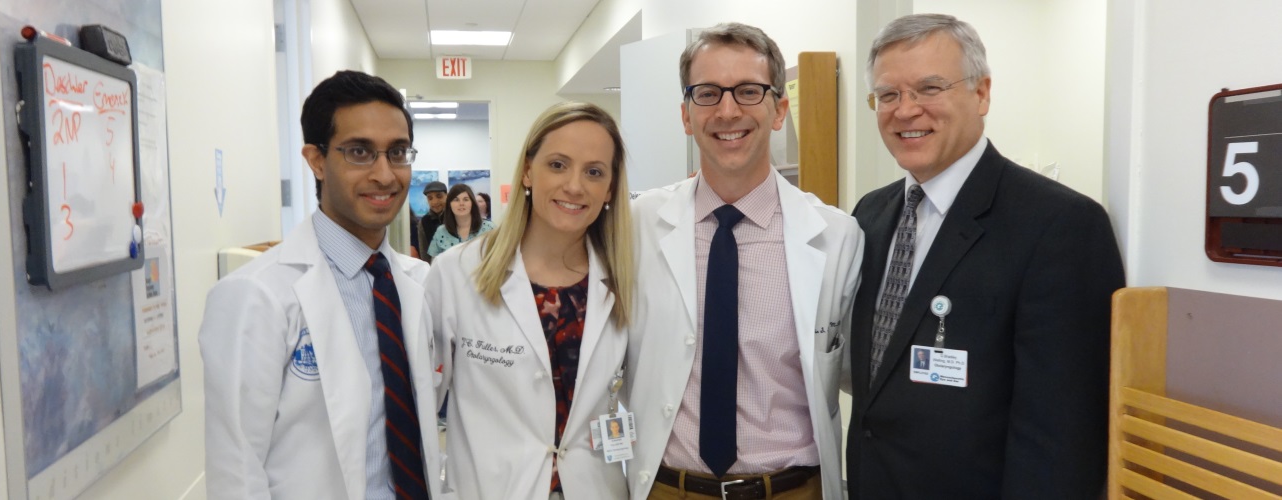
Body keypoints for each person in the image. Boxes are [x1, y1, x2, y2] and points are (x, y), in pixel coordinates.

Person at [845, 14, 1125, 499]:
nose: (905, 110)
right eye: (888, 95)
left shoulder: (1059, 225)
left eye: (929, 88)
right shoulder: (869, 215)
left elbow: (1063, 437)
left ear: (981, 93)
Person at [624, 22, 864, 500]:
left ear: (779, 109)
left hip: (792, 488)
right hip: (668, 488)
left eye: (749, 91)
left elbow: (860, 377)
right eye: (708, 93)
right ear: (686, 114)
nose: (727, 111)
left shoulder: (837, 236)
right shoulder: (636, 225)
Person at [199, 70, 440, 500]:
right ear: (315, 160)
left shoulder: (413, 284)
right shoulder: (256, 294)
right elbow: (236, 470)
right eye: (360, 152)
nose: (385, 175)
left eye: (398, 152)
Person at [426, 102, 634, 499]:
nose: (575, 185)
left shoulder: (624, 278)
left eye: (594, 172)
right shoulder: (458, 273)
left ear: (609, 188)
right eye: (557, 165)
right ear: (526, 171)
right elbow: (422, 407)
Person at [427, 183, 496, 259]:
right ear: (449, 204)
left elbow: (499, 258)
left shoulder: (489, 228)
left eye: (466, 199)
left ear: (472, 203)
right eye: (456, 200)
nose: (461, 204)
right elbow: (435, 264)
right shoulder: (441, 232)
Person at [416, 181, 448, 262]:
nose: (435, 202)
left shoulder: (456, 217)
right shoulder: (424, 222)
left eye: (439, 196)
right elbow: (424, 252)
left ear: (447, 196)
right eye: (430, 198)